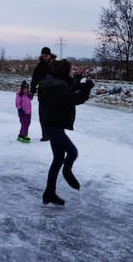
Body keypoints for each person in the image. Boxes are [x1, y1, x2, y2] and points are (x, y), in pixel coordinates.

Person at [38, 59, 94, 205]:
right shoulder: (59, 88)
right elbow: (75, 98)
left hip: (51, 126)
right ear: (65, 72)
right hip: (54, 127)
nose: (72, 72)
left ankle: (49, 193)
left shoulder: (55, 84)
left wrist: (78, 79)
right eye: (71, 70)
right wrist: (87, 87)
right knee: (72, 152)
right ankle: (67, 171)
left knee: (57, 159)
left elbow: (69, 85)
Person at [30, 47, 56, 141]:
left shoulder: (55, 65)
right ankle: (45, 134)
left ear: (50, 55)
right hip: (43, 94)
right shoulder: (39, 67)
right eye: (43, 55)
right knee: (43, 114)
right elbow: (34, 79)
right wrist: (32, 91)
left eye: (46, 55)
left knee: (53, 114)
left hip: (54, 93)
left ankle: (54, 133)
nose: (45, 57)